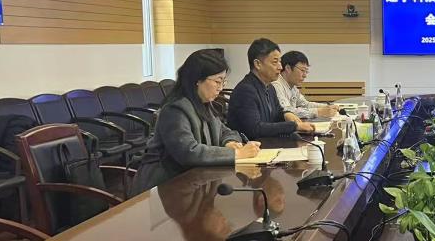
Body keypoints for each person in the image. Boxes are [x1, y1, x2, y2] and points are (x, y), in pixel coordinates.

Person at [131, 49, 261, 195]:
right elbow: (189, 152)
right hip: (162, 187)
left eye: (223, 81)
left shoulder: (203, 104)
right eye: (217, 81)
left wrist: (229, 142)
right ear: (198, 80)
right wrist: (237, 154)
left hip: (193, 182)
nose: (221, 87)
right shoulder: (174, 110)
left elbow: (226, 131)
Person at [226, 39, 315, 139]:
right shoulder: (245, 91)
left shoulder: (270, 87)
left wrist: (286, 114)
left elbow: (276, 114)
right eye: (275, 62)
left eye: (280, 62)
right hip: (250, 146)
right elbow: (255, 129)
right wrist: (294, 126)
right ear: (258, 64)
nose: (280, 67)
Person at [275, 51, 341, 120]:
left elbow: (305, 104)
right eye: (302, 70)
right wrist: (318, 112)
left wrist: (327, 107)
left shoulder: (292, 86)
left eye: (306, 71)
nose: (305, 75)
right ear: (288, 68)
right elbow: (287, 111)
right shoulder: (276, 85)